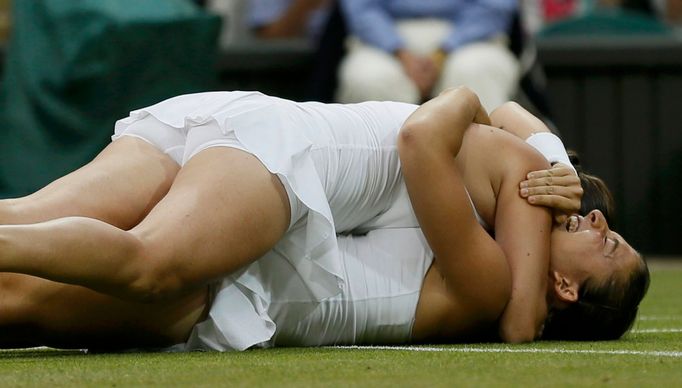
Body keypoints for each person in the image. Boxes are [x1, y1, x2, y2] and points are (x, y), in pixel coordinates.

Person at [0, 88, 648, 351]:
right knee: (146, 262)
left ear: (567, 289)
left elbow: (516, 320)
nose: (591, 219)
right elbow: (487, 120)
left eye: (609, 242)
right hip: (273, 164)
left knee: (16, 295)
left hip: (247, 221)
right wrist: (550, 157)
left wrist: (528, 153)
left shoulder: (488, 267)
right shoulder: (505, 182)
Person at [335, 0, 520, 112]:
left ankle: (479, 171)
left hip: (471, 36)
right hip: (384, 37)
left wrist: (443, 51)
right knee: (369, 79)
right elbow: (363, 9)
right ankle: (386, 174)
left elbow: (494, 8)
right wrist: (401, 53)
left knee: (477, 72)